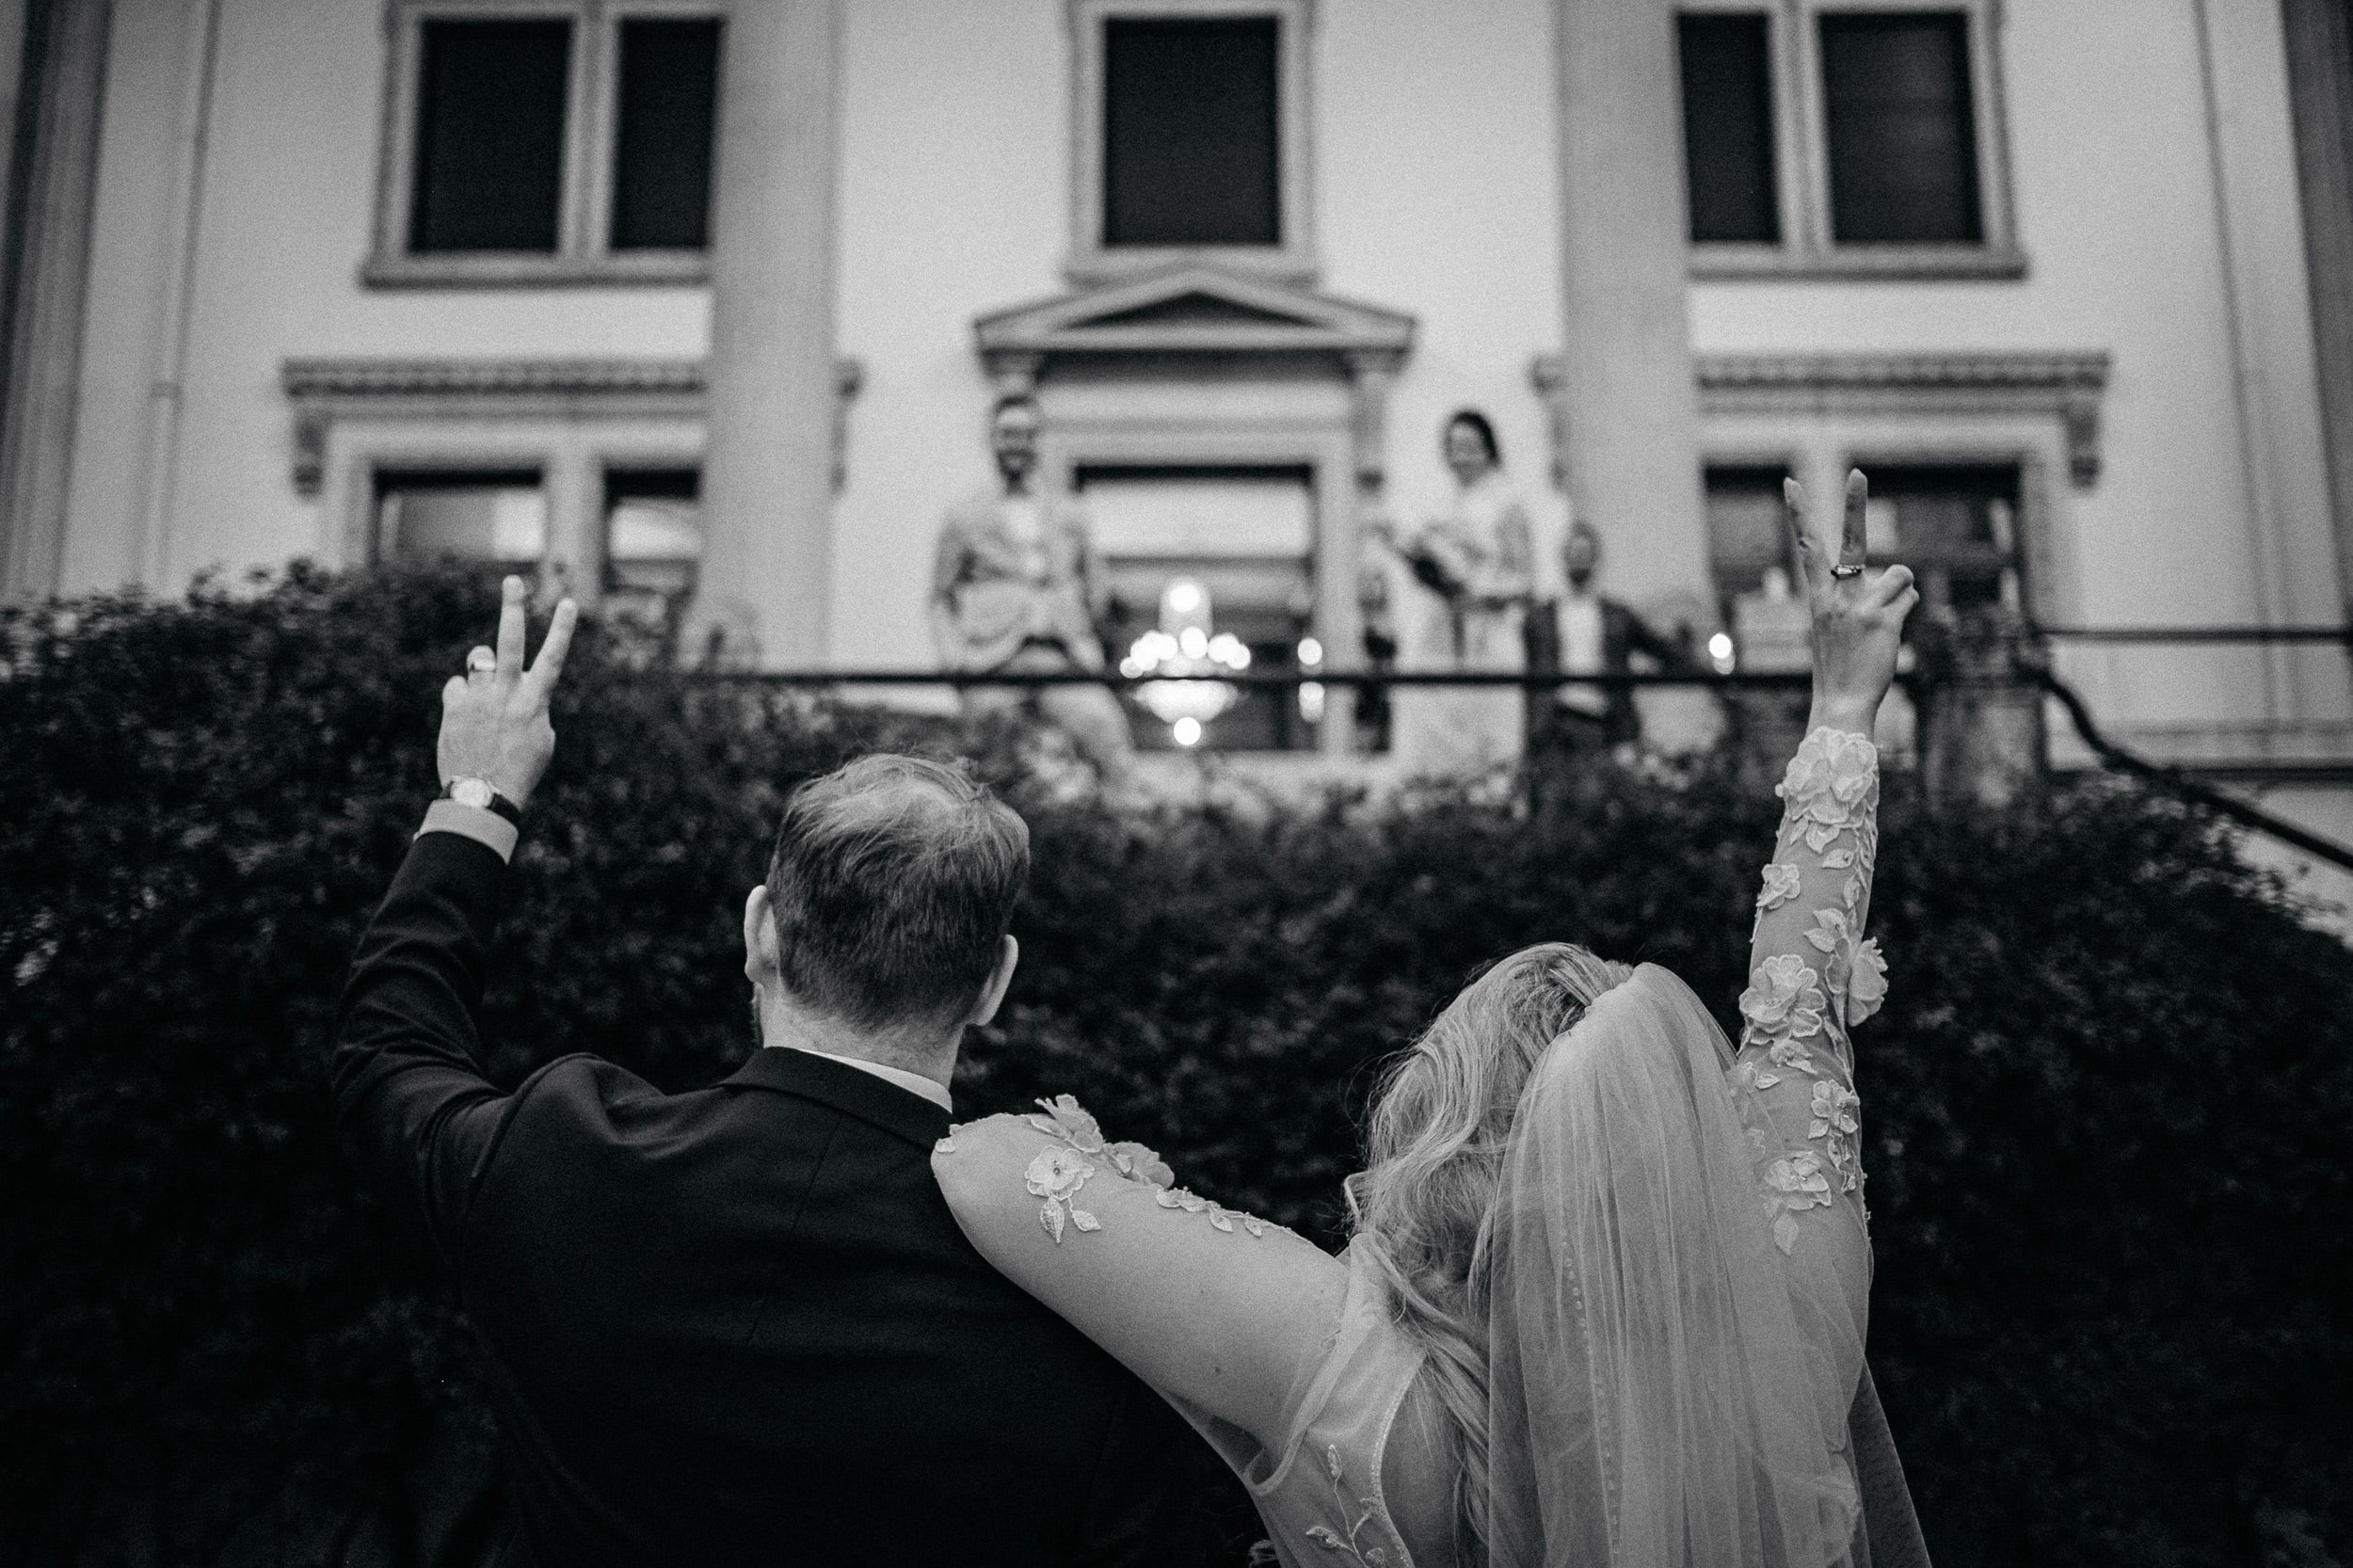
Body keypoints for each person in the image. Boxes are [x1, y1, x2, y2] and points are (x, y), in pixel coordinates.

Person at [933, 470, 1930, 1567]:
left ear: (1445, 1134)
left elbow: (982, 1167)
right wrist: (1842, 706)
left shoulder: (1354, 1372)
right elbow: (1800, 1014)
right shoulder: (1792, 1337)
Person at [330, 578, 1206, 1566]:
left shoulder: (561, 1160)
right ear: (993, 981)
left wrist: (477, 800)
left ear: (759, 933)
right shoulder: (1091, 1306)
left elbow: (387, 1057)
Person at [930, 392, 1136, 784]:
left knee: (1108, 737)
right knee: (973, 766)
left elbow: (1096, 586)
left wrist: (1083, 632)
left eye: (1026, 434)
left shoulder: (1069, 512)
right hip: (994, 660)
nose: (1016, 444)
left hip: (1061, 656)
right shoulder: (965, 516)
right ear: (991, 439)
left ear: (1038, 440)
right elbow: (940, 597)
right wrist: (952, 659)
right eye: (1007, 434)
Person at [1373, 410, 1536, 776]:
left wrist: (1476, 593)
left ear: (1489, 450)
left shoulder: (1506, 504)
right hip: (1445, 632)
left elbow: (1524, 579)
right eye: (1453, 447)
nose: (1461, 456)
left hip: (1489, 635)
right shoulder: (1447, 504)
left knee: (1491, 731)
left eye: (1470, 447)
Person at [1525, 519, 1694, 758]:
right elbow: (1530, 678)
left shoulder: (1617, 616)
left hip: (1603, 721)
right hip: (1554, 722)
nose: (1578, 560)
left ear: (1595, 559)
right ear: (1563, 558)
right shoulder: (1541, 617)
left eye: (1584, 553)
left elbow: (1663, 650)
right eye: (1573, 553)